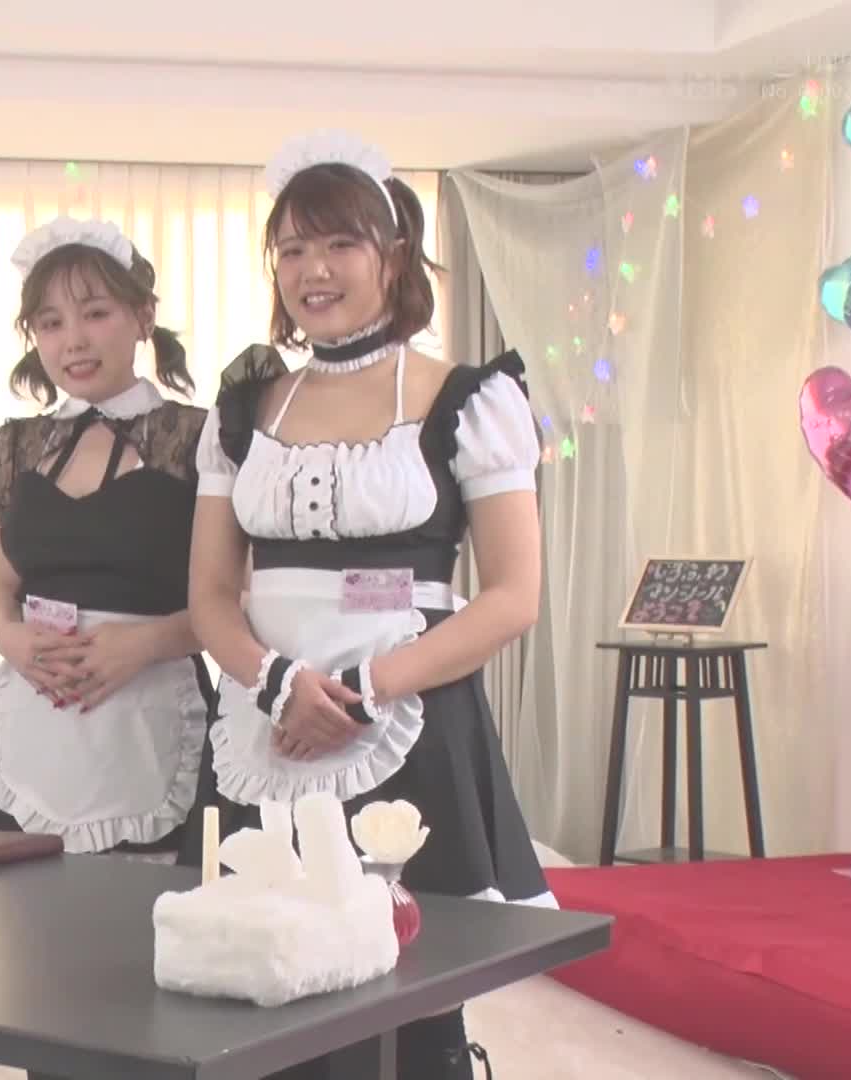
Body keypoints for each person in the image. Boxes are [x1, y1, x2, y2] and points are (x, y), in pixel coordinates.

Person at [189, 131, 550, 1080]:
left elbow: (513, 596)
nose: (313, 270)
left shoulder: (470, 397)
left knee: (407, 991)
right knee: (259, 981)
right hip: (266, 720)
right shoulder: (244, 409)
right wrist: (277, 684)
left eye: (339, 244)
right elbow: (210, 594)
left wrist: (362, 689)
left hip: (408, 719)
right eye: (293, 249)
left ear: (392, 255)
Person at [0, 217, 216, 872]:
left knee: (151, 919)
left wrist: (145, 643)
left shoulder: (200, 437)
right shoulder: (15, 445)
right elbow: (3, 590)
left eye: (95, 313)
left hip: (150, 712)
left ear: (143, 316)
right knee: (11, 918)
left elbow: (236, 600)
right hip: (35, 717)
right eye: (50, 323)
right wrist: (9, 638)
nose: (73, 340)